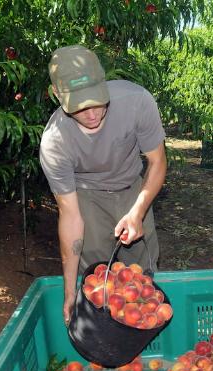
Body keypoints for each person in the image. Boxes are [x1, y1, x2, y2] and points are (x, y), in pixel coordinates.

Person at [40, 45, 167, 325]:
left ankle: (141, 333)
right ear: (57, 95)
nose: (92, 114)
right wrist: (69, 290)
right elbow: (71, 216)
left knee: (141, 276)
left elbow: (157, 163)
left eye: (97, 101)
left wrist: (138, 212)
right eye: (79, 106)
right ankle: (107, 336)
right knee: (99, 283)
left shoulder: (136, 101)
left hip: (133, 188)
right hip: (87, 197)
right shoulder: (55, 143)